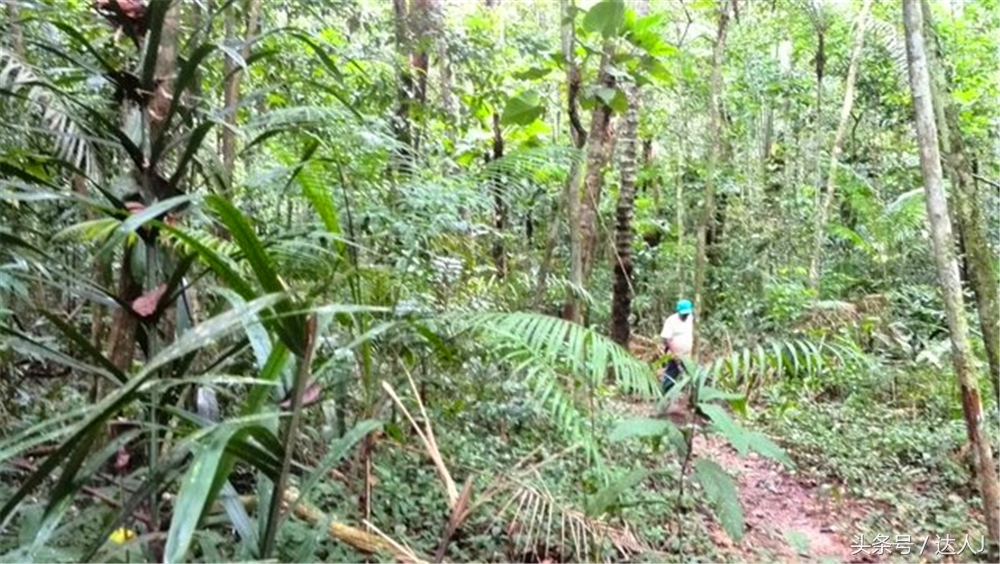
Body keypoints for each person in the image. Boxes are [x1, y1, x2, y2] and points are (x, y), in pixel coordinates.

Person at [659, 299, 694, 393]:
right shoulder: (671, 321)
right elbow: (666, 338)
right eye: (683, 314)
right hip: (674, 354)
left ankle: (686, 393)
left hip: (687, 355)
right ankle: (666, 393)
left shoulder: (691, 318)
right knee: (671, 373)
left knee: (689, 374)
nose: (685, 316)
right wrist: (674, 353)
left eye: (687, 314)